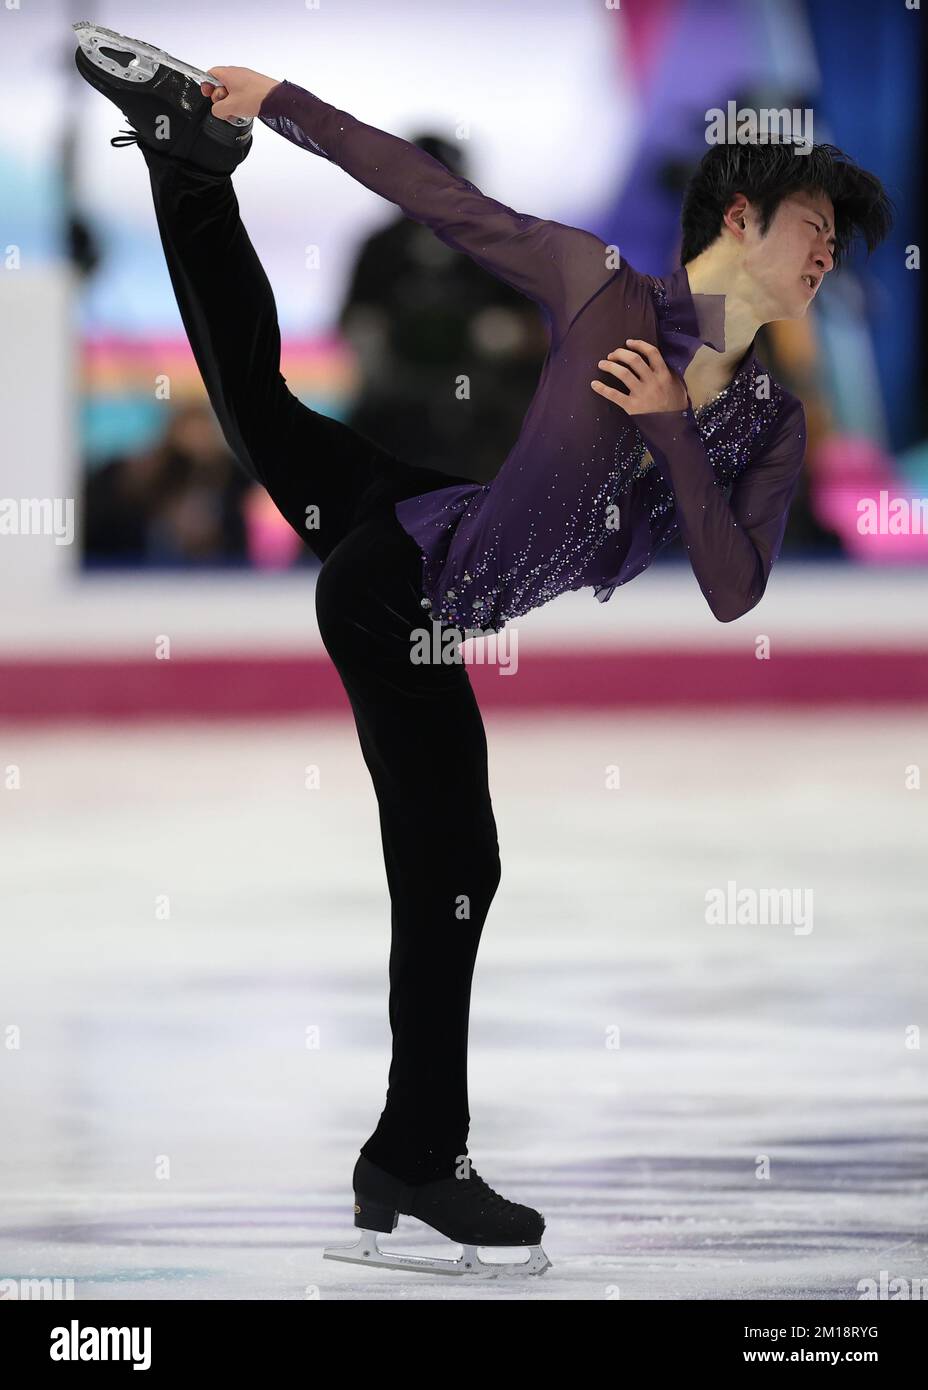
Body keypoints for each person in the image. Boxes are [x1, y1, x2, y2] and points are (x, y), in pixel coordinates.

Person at [74, 24, 892, 1278]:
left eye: (841, 241)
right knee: (458, 858)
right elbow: (437, 196)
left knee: (269, 423)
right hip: (396, 587)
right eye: (813, 225)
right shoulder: (602, 288)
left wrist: (674, 430)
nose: (830, 250)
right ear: (739, 217)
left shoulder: (767, 420)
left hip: (424, 527)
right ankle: (419, 1156)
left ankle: (188, 170)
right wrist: (287, 98)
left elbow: (735, 589)